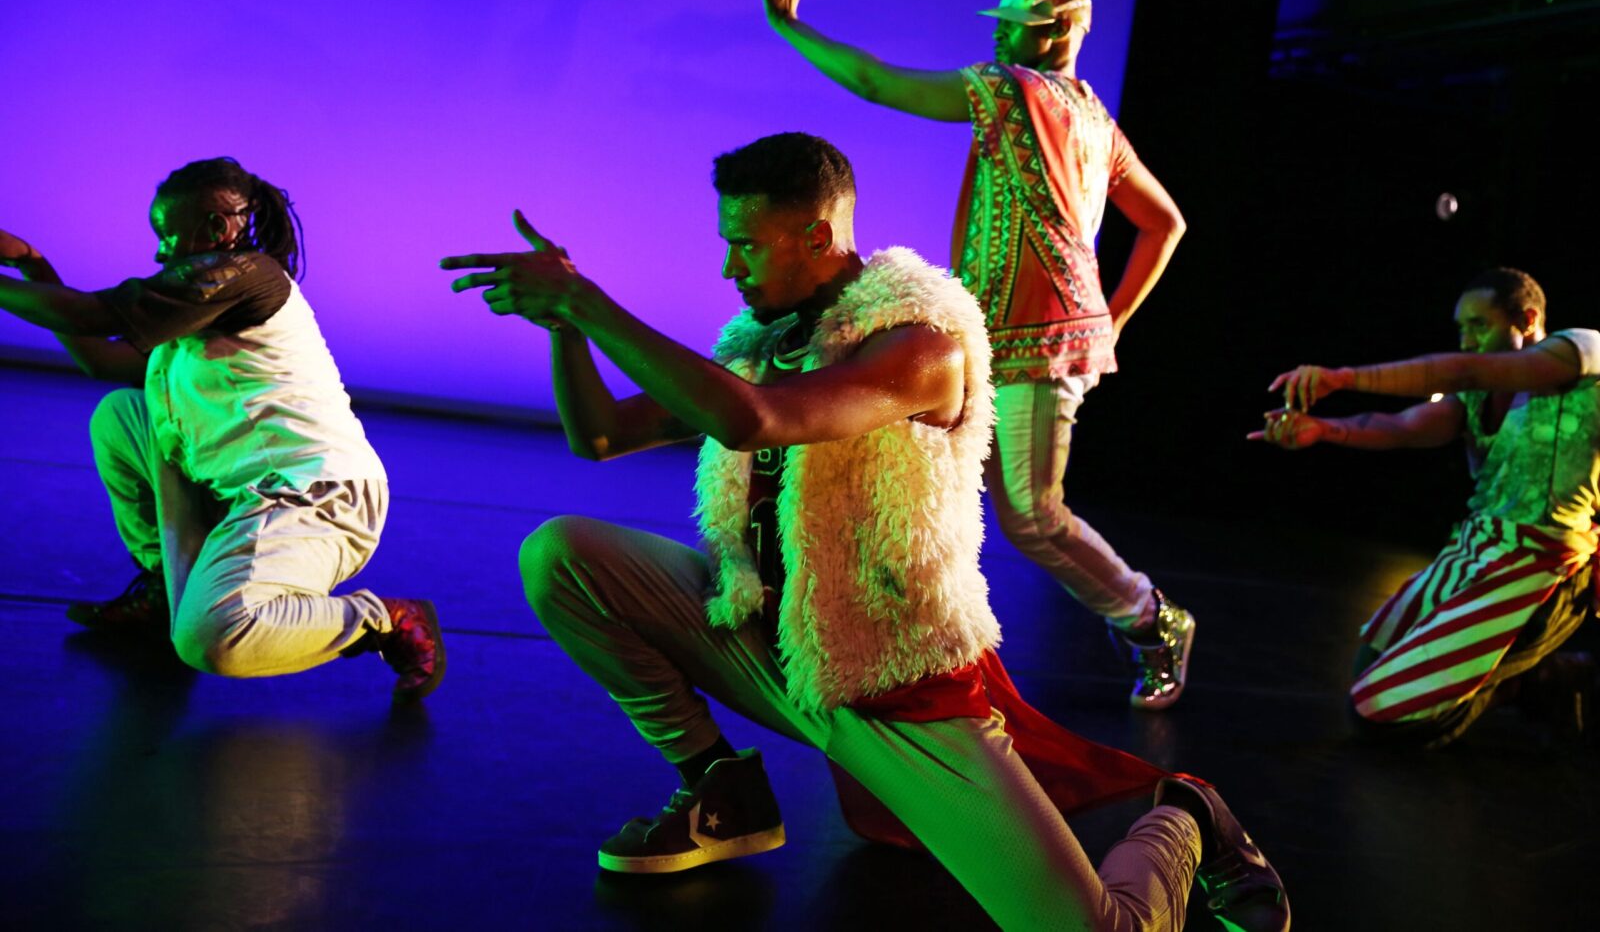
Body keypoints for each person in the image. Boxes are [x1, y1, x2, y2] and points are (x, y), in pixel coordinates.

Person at [442, 133, 1287, 930]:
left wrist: (589, 302)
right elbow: (598, 437)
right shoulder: (765, 339)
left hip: (896, 682)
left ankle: (1187, 819)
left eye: (749, 244)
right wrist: (567, 329)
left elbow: (755, 421)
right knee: (560, 555)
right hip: (776, 648)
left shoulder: (922, 344)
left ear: (816, 235)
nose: (731, 267)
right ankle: (720, 787)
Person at [759, 0, 1194, 709]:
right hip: (1011, 332)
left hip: (1039, 339)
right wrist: (1113, 320)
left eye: (1015, 24)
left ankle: (1150, 617)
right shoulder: (1093, 115)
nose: (996, 34)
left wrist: (790, 27)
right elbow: (1165, 224)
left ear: (1055, 34)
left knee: (1031, 515)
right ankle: (909, 639)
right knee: (943, 484)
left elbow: (873, 82)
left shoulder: (1015, 91)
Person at [0, 157, 443, 699]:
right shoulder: (196, 309)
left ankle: (386, 619)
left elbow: (95, 313)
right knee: (121, 415)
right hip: (242, 491)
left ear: (216, 228)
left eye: (167, 233)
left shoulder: (248, 274)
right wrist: (33, 267)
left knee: (210, 639)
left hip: (314, 496)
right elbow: (100, 358)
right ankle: (168, 584)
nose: (160, 249)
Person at [1251, 267, 1598, 747]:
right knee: (1369, 664)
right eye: (1461, 328)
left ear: (1528, 318)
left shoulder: (1581, 352)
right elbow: (1408, 427)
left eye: (1481, 325)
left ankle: (1534, 682)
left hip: (1542, 566)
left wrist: (1343, 378)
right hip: (1478, 549)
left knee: (1380, 712)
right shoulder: (1476, 394)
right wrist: (1324, 430)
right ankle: (1538, 677)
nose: (1468, 339)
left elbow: (1462, 368)